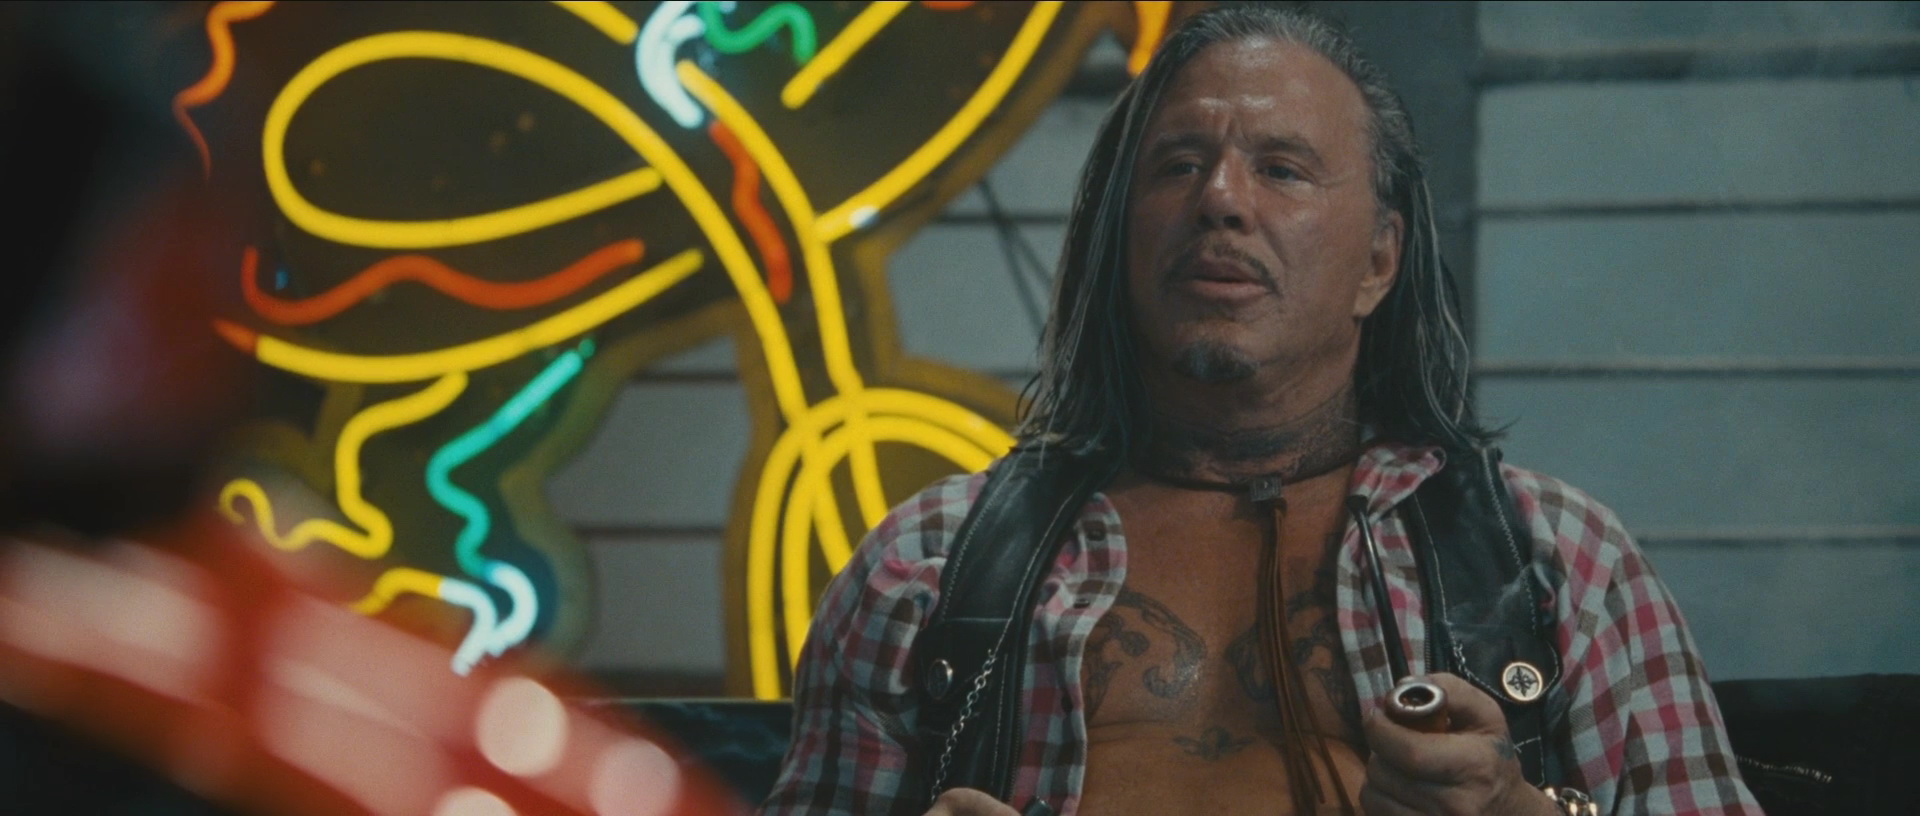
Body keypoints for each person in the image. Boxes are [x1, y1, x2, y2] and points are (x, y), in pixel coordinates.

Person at [763, 6, 1761, 816]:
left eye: (1281, 169)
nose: (1221, 200)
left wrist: (1518, 813)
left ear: (1379, 261)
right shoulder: (926, 570)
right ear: (1119, 239)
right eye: (1177, 165)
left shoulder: (1557, 563)